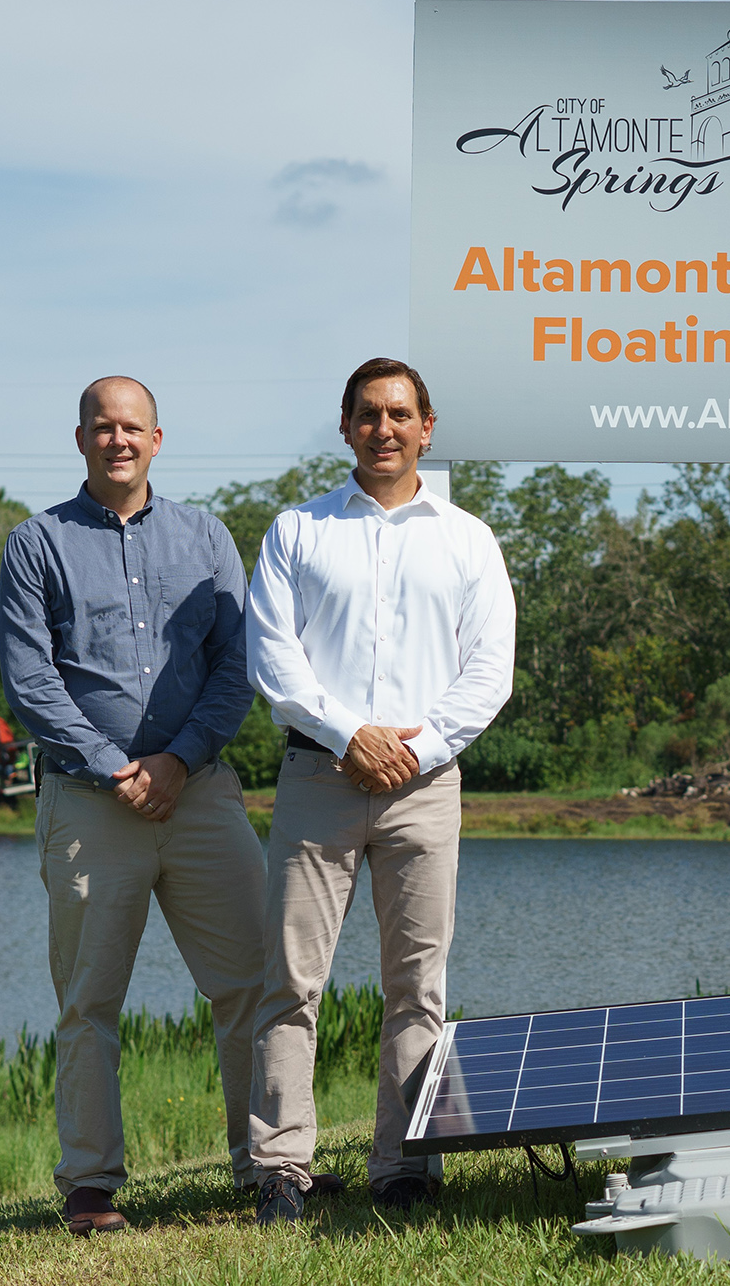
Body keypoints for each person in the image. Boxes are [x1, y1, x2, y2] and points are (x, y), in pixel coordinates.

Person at [0, 376, 277, 1235]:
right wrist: (118, 765)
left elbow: (239, 663)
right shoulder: (37, 543)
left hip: (202, 795)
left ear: (159, 439)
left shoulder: (205, 536)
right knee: (90, 1001)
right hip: (89, 801)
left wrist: (179, 759)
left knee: (254, 986)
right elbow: (30, 677)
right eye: (102, 427)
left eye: (133, 427)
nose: (118, 440)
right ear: (79, 438)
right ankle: (89, 1186)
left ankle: (269, 1165)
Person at [245, 357, 515, 1225]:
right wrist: (348, 734)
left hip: (426, 786)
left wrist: (419, 746)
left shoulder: (468, 537)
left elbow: (489, 670)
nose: (384, 428)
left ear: (426, 427)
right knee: (290, 983)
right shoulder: (298, 530)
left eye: (400, 413)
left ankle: (405, 1163)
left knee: (418, 986)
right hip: (317, 776)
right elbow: (272, 658)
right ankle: (281, 1167)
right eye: (368, 413)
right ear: (346, 426)